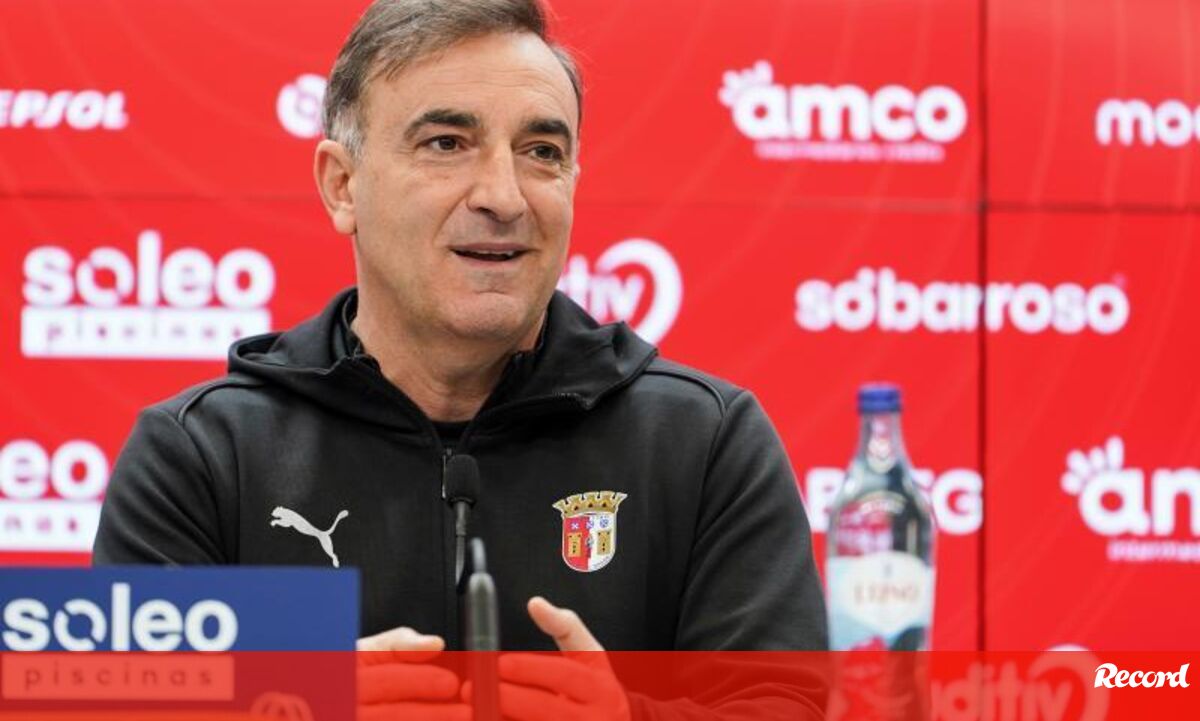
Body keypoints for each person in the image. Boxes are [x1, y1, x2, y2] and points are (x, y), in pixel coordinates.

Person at [95, 0, 827, 716]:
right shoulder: (205, 456)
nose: (503, 196)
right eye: (447, 143)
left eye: (542, 152)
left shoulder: (702, 442)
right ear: (342, 186)